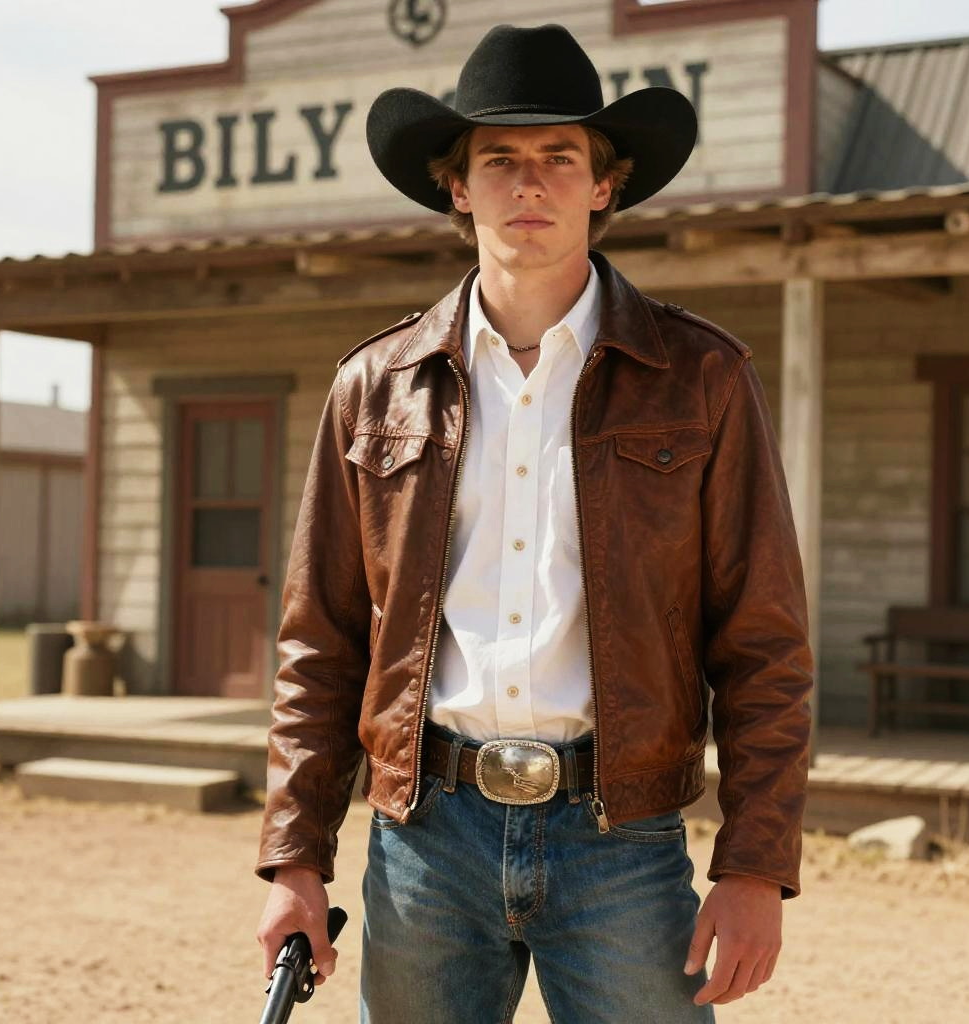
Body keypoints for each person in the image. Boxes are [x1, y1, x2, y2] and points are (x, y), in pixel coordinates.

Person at [255, 22, 813, 1023]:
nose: (530, 186)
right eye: (499, 161)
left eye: (560, 158)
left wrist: (755, 864)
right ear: (456, 187)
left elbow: (764, 640)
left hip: (623, 842)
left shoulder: (703, 379)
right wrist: (295, 855)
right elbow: (319, 641)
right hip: (425, 838)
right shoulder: (375, 386)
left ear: (604, 185)